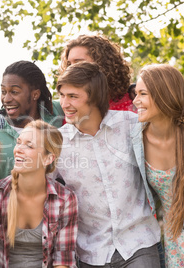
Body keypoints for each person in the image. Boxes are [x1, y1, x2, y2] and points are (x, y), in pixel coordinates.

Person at [53, 62, 162, 267]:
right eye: (62, 95)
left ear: (94, 97)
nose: (65, 103)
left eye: (73, 96)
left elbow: (167, 131)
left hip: (139, 242)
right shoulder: (56, 143)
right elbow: (37, 187)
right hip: (90, 253)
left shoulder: (130, 124)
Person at [131, 64, 184, 267]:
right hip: (173, 242)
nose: (135, 101)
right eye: (135, 93)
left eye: (142, 94)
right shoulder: (135, 140)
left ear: (164, 95)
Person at [0, 120, 78, 267]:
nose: (18, 149)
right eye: (19, 142)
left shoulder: (65, 199)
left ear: (48, 158)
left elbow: (63, 261)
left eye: (29, 146)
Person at [0, 60, 64, 181]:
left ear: (35, 94)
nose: (6, 99)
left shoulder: (58, 111)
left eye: (14, 92)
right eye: (3, 92)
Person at [59, 35, 135, 111]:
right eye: (69, 64)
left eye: (78, 62)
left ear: (101, 63)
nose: (71, 69)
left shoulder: (134, 105)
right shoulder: (66, 107)